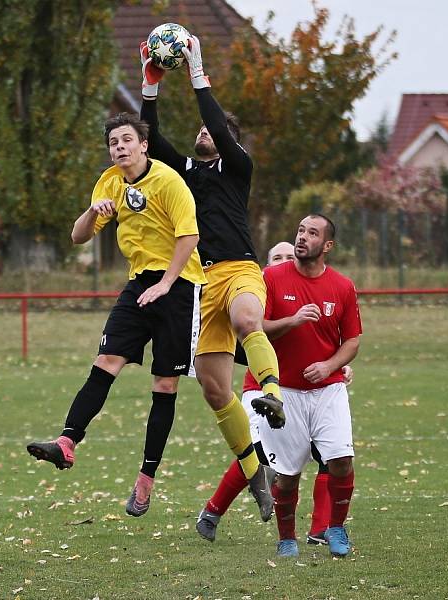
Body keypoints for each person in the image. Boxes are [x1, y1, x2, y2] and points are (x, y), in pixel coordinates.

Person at [25, 112, 208, 518]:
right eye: (113, 142)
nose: (119, 147)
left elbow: (190, 235)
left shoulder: (167, 180)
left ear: (144, 145)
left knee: (164, 385)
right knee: (105, 361)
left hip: (179, 287)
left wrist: (166, 283)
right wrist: (93, 211)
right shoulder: (109, 181)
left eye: (127, 140)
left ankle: (146, 480)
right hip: (139, 284)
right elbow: (77, 236)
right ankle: (67, 442)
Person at [138, 36, 283, 520]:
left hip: (240, 267)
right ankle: (256, 476)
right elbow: (151, 141)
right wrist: (150, 87)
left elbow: (221, 126)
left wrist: (198, 73)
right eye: (199, 130)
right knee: (215, 388)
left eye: (210, 130)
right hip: (200, 282)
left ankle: (272, 396)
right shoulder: (186, 173)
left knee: (248, 320)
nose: (203, 133)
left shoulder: (238, 166)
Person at [197, 241, 354, 546]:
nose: (283, 261)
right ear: (265, 265)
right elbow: (250, 337)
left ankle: (321, 529)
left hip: (312, 390)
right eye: (276, 257)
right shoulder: (256, 291)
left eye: (288, 256)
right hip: (264, 389)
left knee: (330, 456)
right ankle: (213, 512)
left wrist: (337, 367)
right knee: (259, 456)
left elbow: (326, 338)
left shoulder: (320, 285)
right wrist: (292, 321)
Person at [254, 214, 361, 559]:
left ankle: (336, 527)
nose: (302, 237)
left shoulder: (342, 286)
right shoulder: (270, 277)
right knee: (287, 477)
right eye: (300, 230)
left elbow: (353, 341)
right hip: (283, 392)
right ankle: (287, 538)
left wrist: (331, 365)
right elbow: (256, 328)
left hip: (329, 390)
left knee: (341, 460)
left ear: (327, 245)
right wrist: (293, 319)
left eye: (312, 233)